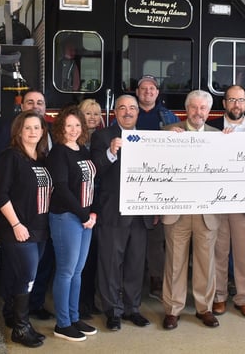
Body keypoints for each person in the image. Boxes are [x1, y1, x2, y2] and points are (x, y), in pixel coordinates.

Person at [0, 90, 55, 325]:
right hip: (19, 228)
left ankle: (18, 318)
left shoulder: (42, 158)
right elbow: (1, 193)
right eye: (28, 128)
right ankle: (20, 325)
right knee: (24, 275)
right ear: (19, 131)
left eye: (37, 128)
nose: (33, 132)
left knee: (27, 276)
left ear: (43, 131)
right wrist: (15, 224)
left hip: (39, 228)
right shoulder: (10, 157)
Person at [91, 95, 153, 331]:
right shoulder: (103, 136)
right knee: (110, 262)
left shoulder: (149, 136)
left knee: (136, 263)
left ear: (139, 112)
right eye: (122, 108)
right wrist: (110, 152)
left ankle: (132, 308)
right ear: (114, 111)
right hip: (113, 210)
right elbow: (94, 169)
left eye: (132, 108)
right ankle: (112, 310)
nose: (128, 112)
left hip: (141, 211)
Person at [161, 90, 221, 330]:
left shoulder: (219, 137)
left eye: (203, 108)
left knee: (206, 263)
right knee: (174, 261)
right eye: (194, 108)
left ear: (209, 111)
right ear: (187, 110)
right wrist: (167, 142)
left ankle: (203, 308)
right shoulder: (168, 132)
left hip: (207, 212)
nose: (198, 112)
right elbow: (155, 163)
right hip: (178, 211)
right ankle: (173, 309)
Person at [46, 106, 98, 342]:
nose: (74, 130)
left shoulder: (83, 150)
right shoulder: (58, 153)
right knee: (66, 271)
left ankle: (74, 318)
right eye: (68, 126)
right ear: (60, 128)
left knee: (77, 271)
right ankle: (63, 323)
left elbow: (90, 185)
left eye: (77, 125)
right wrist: (84, 215)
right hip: (66, 216)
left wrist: (92, 212)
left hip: (85, 218)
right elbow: (63, 190)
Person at [207, 85, 245, 318]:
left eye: (240, 100)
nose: (236, 105)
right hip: (216, 201)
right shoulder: (211, 128)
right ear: (224, 104)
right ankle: (218, 296)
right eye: (231, 100)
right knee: (218, 251)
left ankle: (244, 297)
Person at [135, 74, 179, 301]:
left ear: (157, 93)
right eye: (144, 89)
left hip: (161, 179)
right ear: (137, 92)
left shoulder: (168, 116)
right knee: (134, 232)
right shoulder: (128, 113)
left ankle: (155, 280)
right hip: (134, 180)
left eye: (152, 89)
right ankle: (132, 281)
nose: (148, 92)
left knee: (156, 234)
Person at [77, 98, 104, 319]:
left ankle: (89, 300)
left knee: (94, 255)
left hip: (99, 203)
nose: (93, 117)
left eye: (96, 113)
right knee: (79, 260)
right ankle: (79, 304)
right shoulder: (75, 139)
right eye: (88, 113)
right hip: (79, 205)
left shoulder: (103, 138)